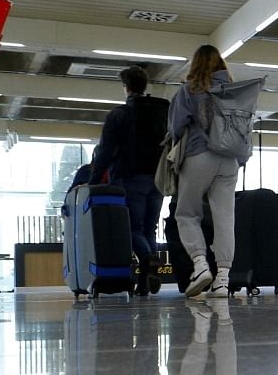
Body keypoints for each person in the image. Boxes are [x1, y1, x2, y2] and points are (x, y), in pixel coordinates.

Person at [89, 65, 169, 296]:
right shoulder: (161, 112)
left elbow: (105, 152)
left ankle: (148, 258)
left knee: (133, 228)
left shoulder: (119, 115)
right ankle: (145, 281)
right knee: (149, 228)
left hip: (130, 178)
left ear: (125, 87)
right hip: (158, 179)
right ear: (145, 86)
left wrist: (94, 182)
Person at [169, 44, 241, 298]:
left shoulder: (188, 91)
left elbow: (176, 127)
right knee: (225, 220)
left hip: (199, 154)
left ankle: (200, 265)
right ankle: (223, 279)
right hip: (230, 160)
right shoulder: (234, 92)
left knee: (187, 213)